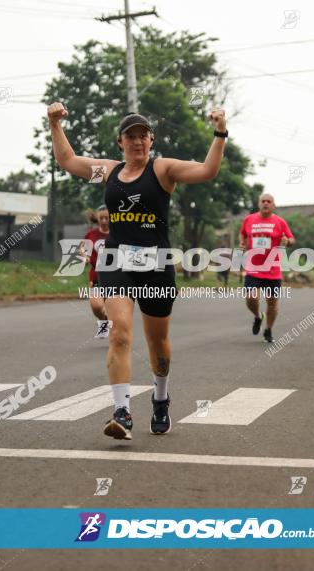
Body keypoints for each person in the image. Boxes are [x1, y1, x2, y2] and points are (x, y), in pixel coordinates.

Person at [48, 102, 228, 441]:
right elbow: (68, 161)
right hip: (116, 261)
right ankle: (122, 412)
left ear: (151, 140)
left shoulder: (163, 170)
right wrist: (55, 124)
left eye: (143, 136)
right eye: (131, 136)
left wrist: (219, 132)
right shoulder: (109, 171)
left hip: (156, 264)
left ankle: (160, 398)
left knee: (157, 341)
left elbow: (207, 171)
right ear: (120, 142)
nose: (138, 142)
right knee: (119, 333)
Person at [239, 193, 295, 343]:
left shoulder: (280, 222)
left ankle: (268, 330)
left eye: (269, 201)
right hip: (253, 268)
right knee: (251, 298)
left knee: (272, 304)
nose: (265, 203)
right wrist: (243, 243)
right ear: (259, 204)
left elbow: (291, 239)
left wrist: (287, 241)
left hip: (273, 270)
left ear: (273, 205)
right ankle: (258, 316)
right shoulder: (249, 219)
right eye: (263, 201)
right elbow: (243, 233)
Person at [82, 205, 110, 337]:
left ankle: (117, 333)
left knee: (114, 306)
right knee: (96, 306)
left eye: (107, 218)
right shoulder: (91, 234)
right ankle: (104, 321)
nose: (104, 221)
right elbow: (83, 249)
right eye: (101, 218)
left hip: (116, 276)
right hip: (96, 276)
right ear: (97, 219)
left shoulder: (118, 233)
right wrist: (85, 256)